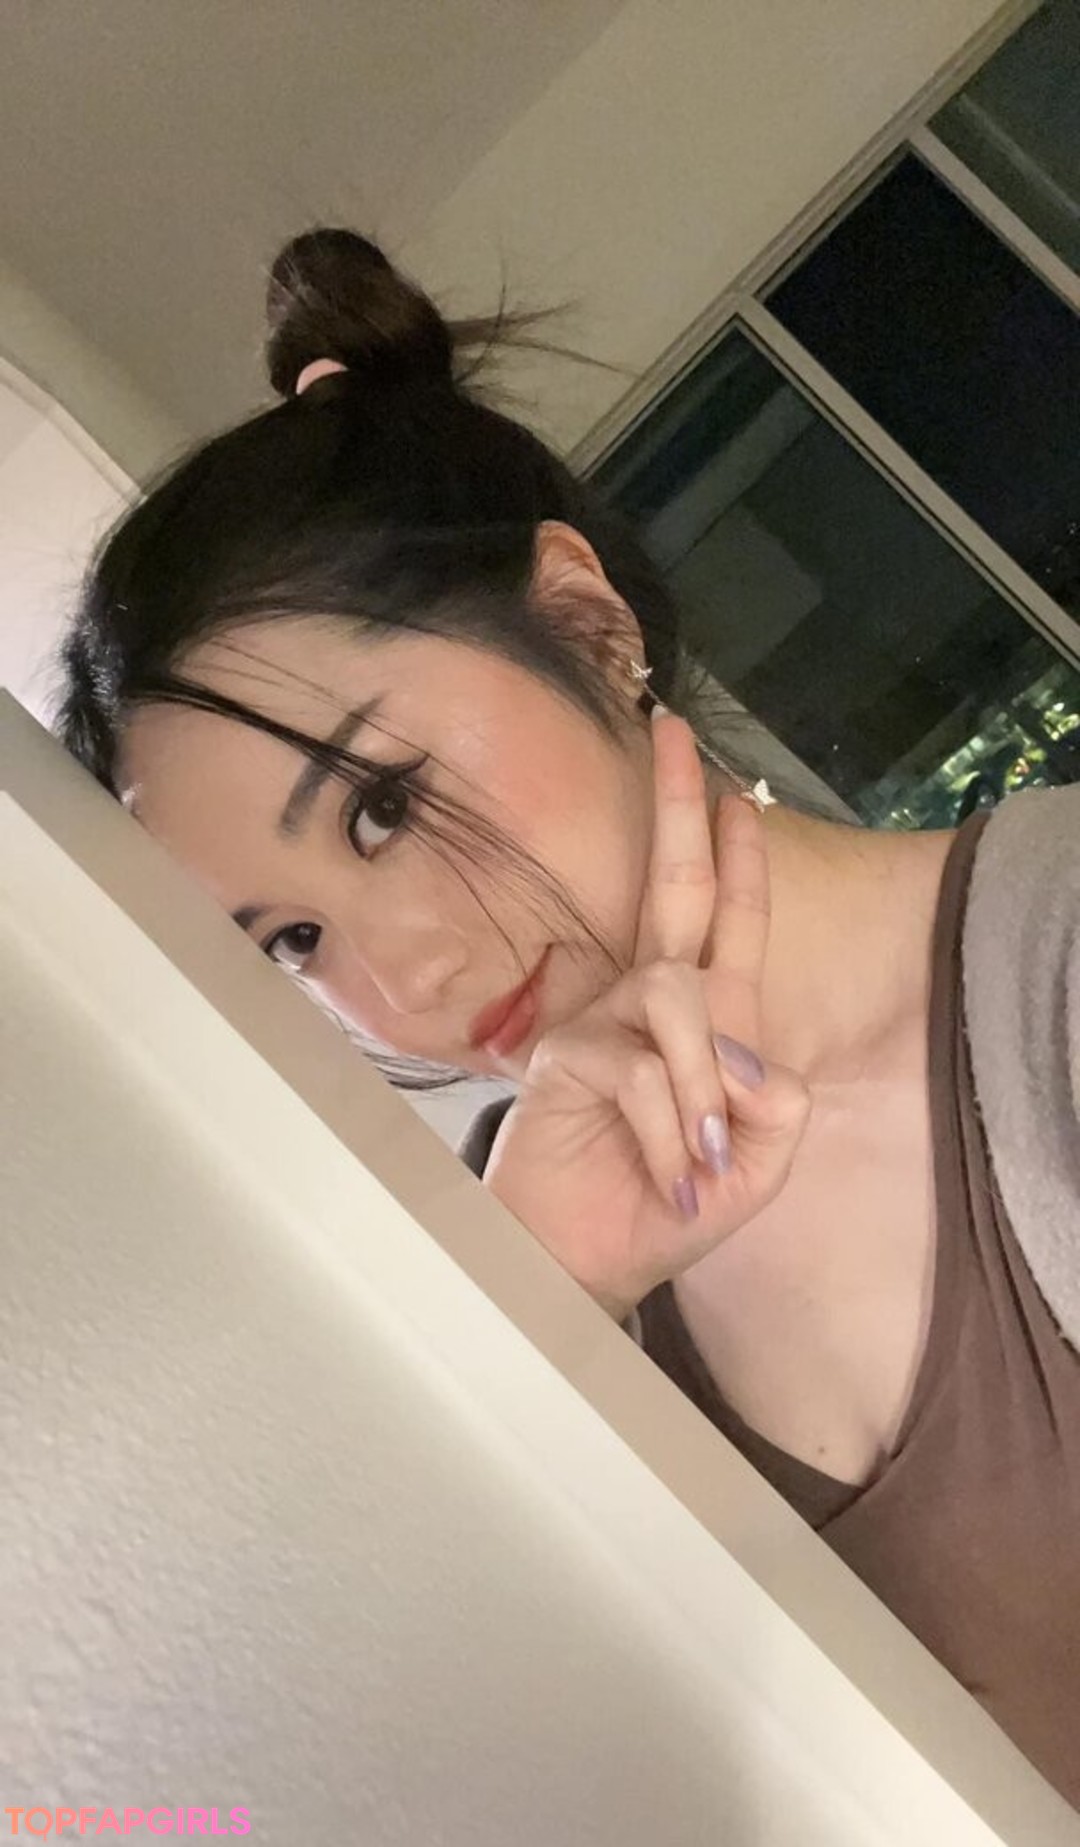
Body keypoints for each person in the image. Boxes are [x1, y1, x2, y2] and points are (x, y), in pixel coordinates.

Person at [57, 228, 1079, 1807]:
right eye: (292, 941)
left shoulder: (1051, 954)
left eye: (385, 805)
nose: (401, 983)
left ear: (588, 625)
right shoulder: (562, 1264)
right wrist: (531, 1323)